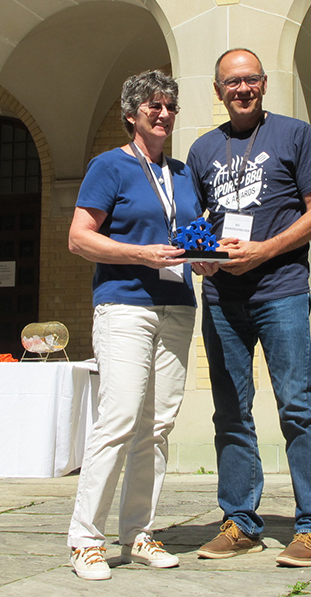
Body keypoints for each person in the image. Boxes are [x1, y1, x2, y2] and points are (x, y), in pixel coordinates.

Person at [186, 48, 311, 567]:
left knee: (296, 406)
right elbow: (196, 226)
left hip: (282, 290)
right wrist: (200, 259)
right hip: (223, 299)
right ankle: (240, 522)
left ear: (265, 84)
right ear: (218, 90)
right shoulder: (203, 149)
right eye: (232, 82)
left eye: (250, 80)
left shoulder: (295, 134)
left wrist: (266, 250)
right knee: (230, 410)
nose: (242, 89)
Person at [66, 70, 205, 581]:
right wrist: (139, 255)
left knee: (158, 426)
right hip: (125, 304)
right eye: (154, 106)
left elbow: (190, 235)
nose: (164, 113)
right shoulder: (109, 166)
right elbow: (80, 238)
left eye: (170, 106)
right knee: (119, 419)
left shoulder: (185, 173)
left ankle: (138, 533)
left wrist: (203, 256)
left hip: (177, 305)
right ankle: (85, 540)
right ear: (132, 114)